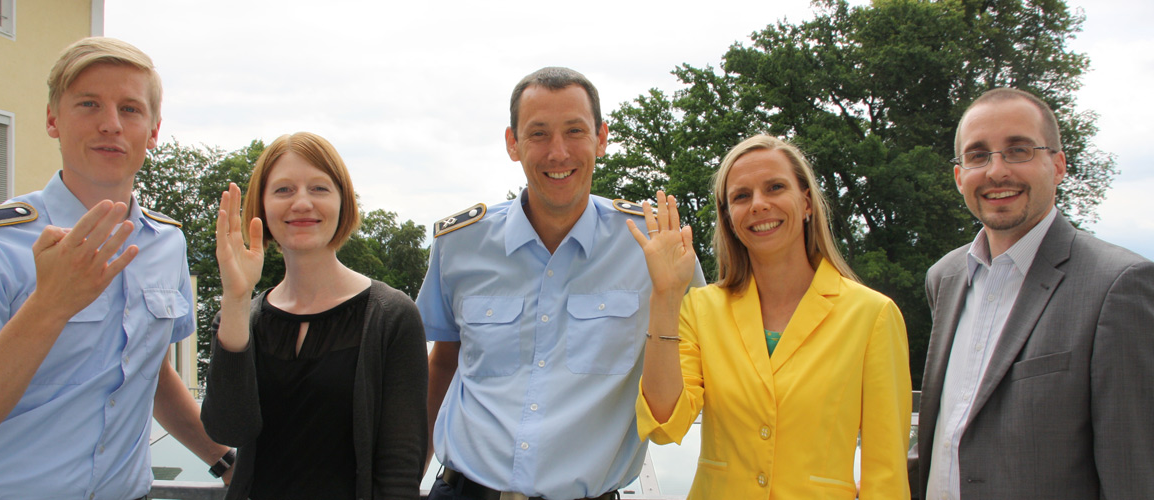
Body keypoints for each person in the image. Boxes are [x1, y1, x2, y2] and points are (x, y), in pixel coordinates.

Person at [0, 37, 232, 499]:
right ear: (52, 119)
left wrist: (225, 462)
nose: (110, 125)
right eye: (89, 104)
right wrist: (49, 307)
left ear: (154, 130)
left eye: (130, 109)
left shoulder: (167, 242)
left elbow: (152, 371)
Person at [418, 67, 705, 500]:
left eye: (575, 131)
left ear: (601, 138)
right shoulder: (461, 245)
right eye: (538, 134)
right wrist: (406, 478)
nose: (558, 152)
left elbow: (699, 370)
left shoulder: (654, 247)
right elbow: (444, 361)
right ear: (513, 143)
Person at [633, 135, 912, 499]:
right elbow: (664, 426)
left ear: (807, 202)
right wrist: (667, 297)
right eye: (741, 196)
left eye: (775, 187)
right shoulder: (701, 309)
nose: (759, 205)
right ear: (729, 219)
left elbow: (886, 474)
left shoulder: (872, 315)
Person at [915, 88, 1154, 499]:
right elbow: (952, 439)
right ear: (959, 177)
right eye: (977, 155)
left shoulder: (1118, 285)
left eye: (1018, 150)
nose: (995, 171)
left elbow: (1132, 470)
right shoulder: (946, 278)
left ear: (1058, 165)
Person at [199, 132, 428, 500]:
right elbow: (230, 429)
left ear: (343, 202)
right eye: (284, 190)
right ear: (262, 205)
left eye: (319, 188)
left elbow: (400, 467)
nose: (302, 203)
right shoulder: (241, 314)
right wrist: (237, 298)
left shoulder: (391, 316)